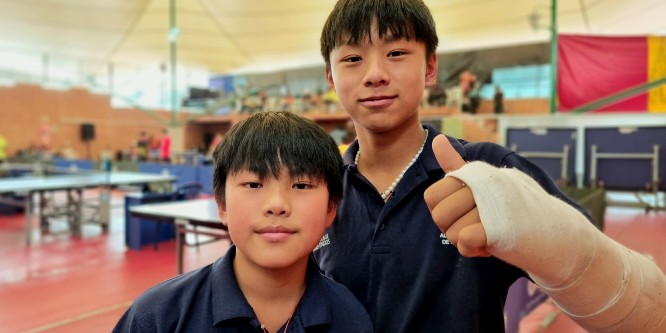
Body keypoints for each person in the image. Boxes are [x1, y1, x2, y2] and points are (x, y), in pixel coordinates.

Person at [313, 0, 666, 332]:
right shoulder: (316, 189)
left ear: (430, 67)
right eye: (353, 58)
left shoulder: (490, 171)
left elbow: (629, 301)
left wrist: (543, 232)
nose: (375, 74)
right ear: (330, 77)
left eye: (396, 53)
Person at [113, 111, 373, 333]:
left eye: (301, 184)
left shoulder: (351, 319)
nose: (277, 205)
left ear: (331, 208)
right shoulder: (157, 319)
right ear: (222, 204)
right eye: (253, 184)